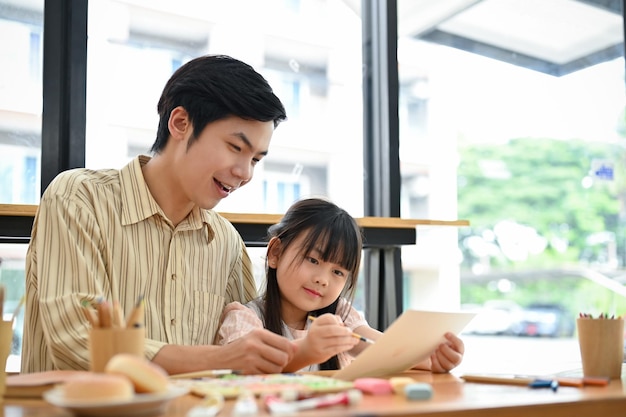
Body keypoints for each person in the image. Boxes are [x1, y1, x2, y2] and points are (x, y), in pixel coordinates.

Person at [22, 54, 297, 374]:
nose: (245, 173)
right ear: (180, 123)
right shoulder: (79, 200)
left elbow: (245, 345)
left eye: (256, 160)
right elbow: (78, 343)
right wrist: (221, 359)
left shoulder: (226, 242)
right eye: (236, 148)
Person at [216, 197, 465, 373]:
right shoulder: (246, 318)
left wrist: (434, 357)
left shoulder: (340, 315)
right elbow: (242, 375)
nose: (323, 279)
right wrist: (307, 349)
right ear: (276, 253)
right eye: (313, 259)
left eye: (338, 271)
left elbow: (384, 350)